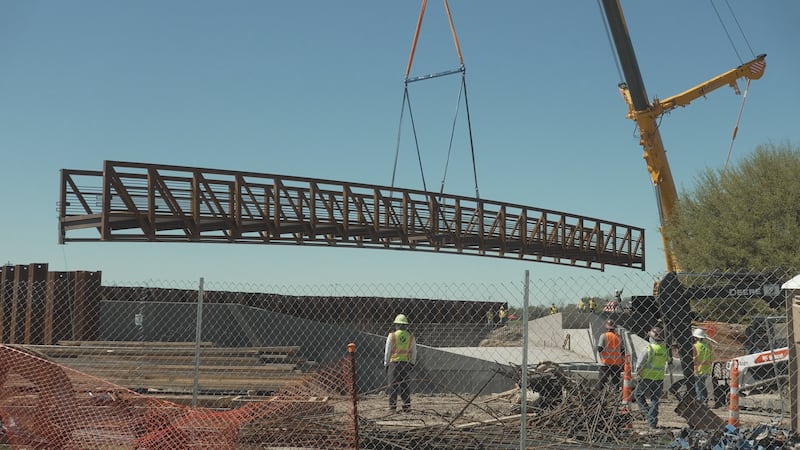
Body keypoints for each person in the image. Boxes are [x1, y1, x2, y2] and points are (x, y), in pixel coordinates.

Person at [634, 326, 670, 429]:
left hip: (646, 377)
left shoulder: (648, 349)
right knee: (655, 399)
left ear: (652, 338)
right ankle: (652, 421)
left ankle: (648, 414)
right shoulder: (664, 350)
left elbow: (640, 364)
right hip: (659, 378)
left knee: (638, 395)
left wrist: (637, 373)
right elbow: (667, 363)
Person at [384, 313, 417, 412]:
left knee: (392, 386)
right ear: (406, 325)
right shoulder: (410, 337)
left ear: (396, 324)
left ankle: (392, 407)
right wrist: (412, 363)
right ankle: (407, 406)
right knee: (405, 386)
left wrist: (386, 363)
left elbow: (387, 351)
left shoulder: (392, 336)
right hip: (406, 364)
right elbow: (414, 351)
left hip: (394, 363)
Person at [595, 319, 625, 392]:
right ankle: (615, 395)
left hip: (606, 362)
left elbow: (600, 348)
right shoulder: (619, 337)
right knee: (616, 382)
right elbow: (622, 351)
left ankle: (599, 395)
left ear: (607, 327)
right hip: (617, 363)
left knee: (602, 381)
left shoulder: (604, 336)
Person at [692, 327, 716, 404]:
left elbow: (694, 358)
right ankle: (705, 400)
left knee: (698, 387)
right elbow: (712, 358)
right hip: (707, 369)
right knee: (702, 385)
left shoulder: (695, 346)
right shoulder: (709, 346)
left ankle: (700, 402)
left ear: (696, 337)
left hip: (698, 369)